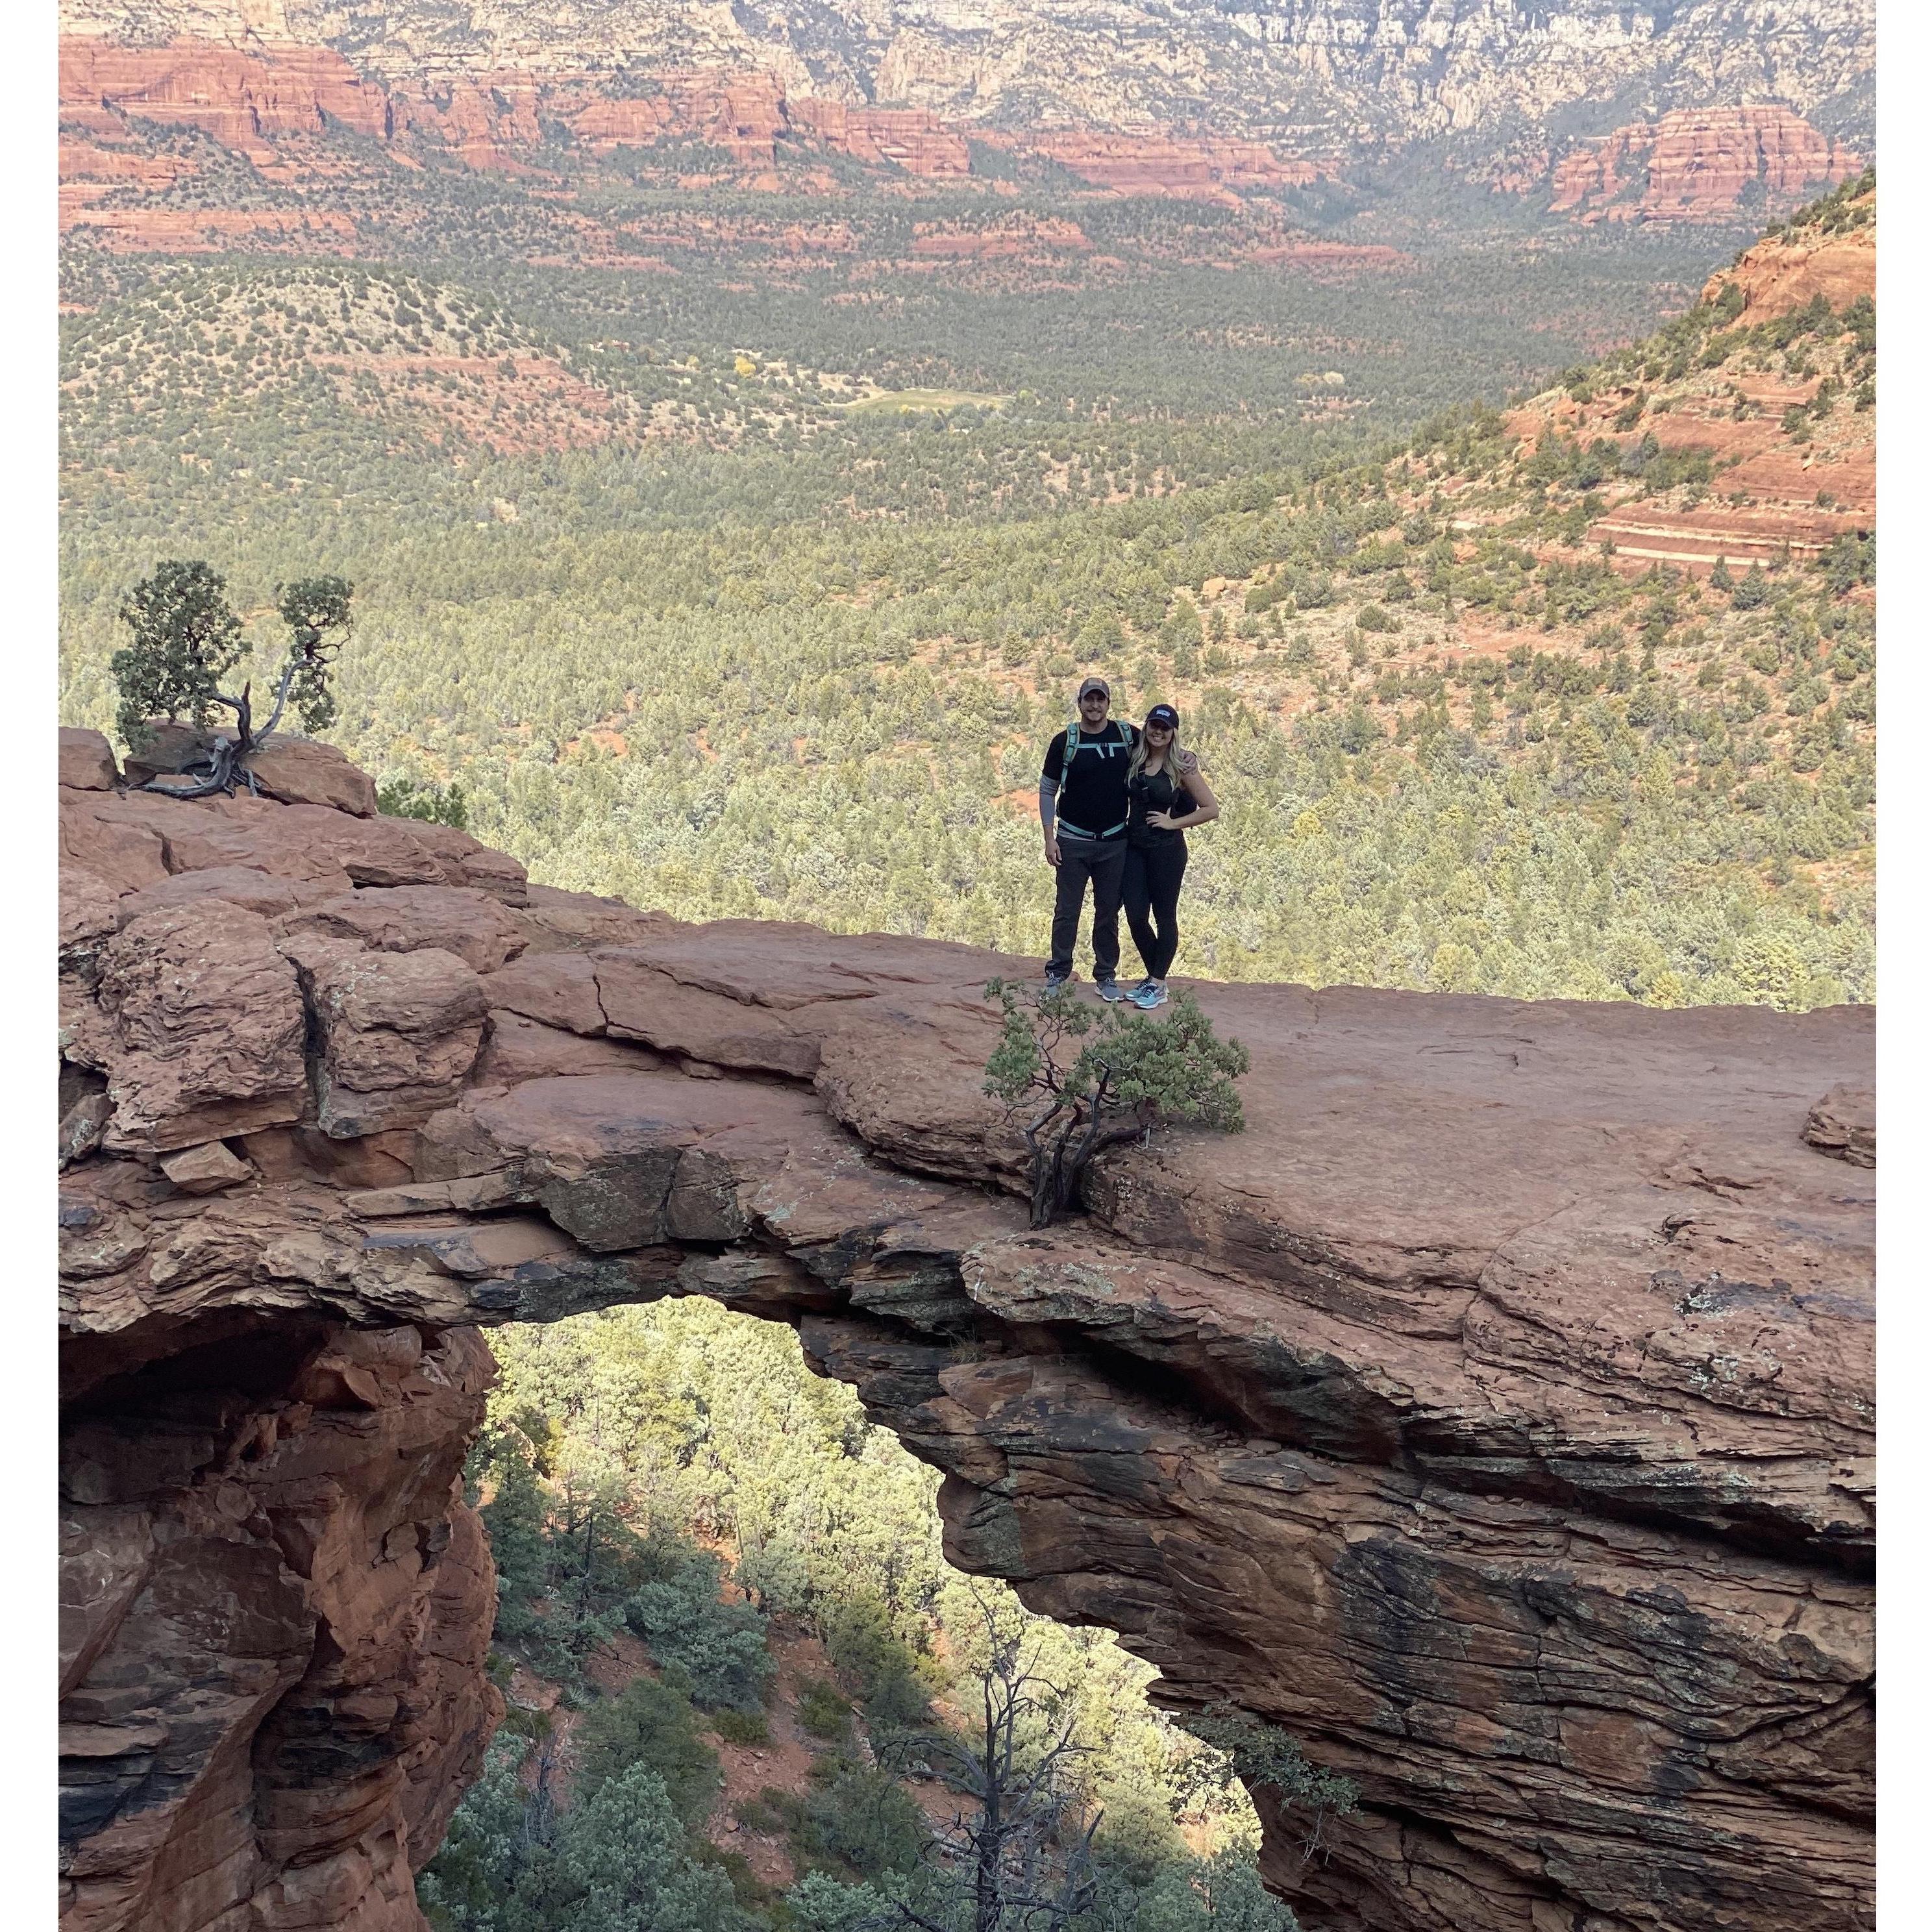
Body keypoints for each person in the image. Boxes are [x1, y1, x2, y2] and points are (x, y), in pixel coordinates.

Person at [1039, 676, 1139, 998]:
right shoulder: (1064, 742)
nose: (1095, 706)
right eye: (1089, 700)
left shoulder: (1127, 736)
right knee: (1068, 909)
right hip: (1072, 840)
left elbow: (1161, 748)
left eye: (1101, 700)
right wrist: (1049, 837)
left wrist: (1188, 760)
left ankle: (1106, 976)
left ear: (1109, 703)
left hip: (1114, 841)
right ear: (1079, 703)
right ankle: (1058, 973)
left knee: (1108, 911)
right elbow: (1047, 790)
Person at [1121, 703, 1219, 1009]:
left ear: (1173, 732)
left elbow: (1211, 809)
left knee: (1164, 917)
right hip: (1134, 847)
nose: (1157, 732)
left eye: (1164, 728)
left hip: (1167, 851)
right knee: (1136, 916)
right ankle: (1154, 979)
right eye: (1153, 726)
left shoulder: (1181, 767)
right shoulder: (1135, 757)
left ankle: (1158, 983)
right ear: (1146, 726)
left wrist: (1172, 823)